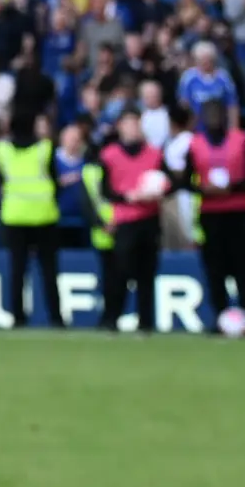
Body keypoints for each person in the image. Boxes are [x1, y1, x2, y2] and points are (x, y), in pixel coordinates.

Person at [176, 97, 245, 333]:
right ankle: (220, 317)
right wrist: (205, 190)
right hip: (210, 214)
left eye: (217, 113)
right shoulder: (196, 144)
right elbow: (185, 181)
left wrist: (231, 187)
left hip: (237, 212)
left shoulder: (241, 141)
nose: (214, 118)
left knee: (243, 269)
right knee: (214, 270)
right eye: (209, 114)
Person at [93, 118, 169, 334]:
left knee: (147, 274)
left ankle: (145, 322)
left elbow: (169, 182)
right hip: (125, 220)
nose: (133, 129)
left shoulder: (154, 154)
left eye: (136, 125)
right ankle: (112, 319)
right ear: (120, 128)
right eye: (128, 125)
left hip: (150, 219)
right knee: (121, 272)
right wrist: (128, 196)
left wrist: (158, 190)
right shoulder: (109, 155)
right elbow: (105, 191)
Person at [0, 113, 65, 329]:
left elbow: (0, 181)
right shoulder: (45, 148)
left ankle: (18, 318)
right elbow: (55, 180)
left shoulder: (2, 150)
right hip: (44, 216)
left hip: (14, 216)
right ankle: (56, 318)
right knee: (49, 271)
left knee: (17, 270)